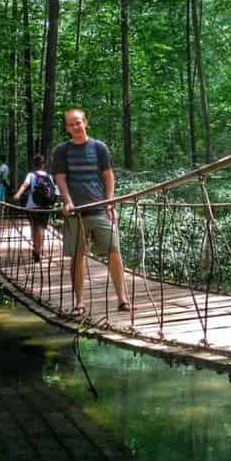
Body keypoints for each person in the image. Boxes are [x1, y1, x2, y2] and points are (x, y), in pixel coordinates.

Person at [52, 108, 130, 318]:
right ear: (67, 128)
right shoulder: (62, 150)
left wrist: (110, 202)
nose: (75, 126)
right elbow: (60, 178)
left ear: (85, 122)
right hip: (76, 213)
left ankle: (122, 299)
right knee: (77, 257)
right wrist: (67, 201)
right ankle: (79, 302)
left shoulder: (99, 148)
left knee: (114, 251)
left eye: (78, 122)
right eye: (70, 124)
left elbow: (108, 176)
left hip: (100, 209)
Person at [13, 153, 58, 262]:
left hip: (33, 205)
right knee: (41, 228)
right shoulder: (49, 176)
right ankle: (38, 250)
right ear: (43, 164)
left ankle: (35, 248)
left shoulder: (31, 174)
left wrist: (18, 195)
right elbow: (54, 190)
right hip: (46, 206)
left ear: (34, 164)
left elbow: (25, 185)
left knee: (34, 227)